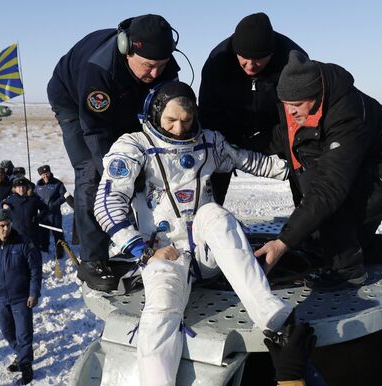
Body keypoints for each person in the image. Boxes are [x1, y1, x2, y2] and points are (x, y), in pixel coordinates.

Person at [94, 82, 293, 385]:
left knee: (215, 214)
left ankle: (268, 312)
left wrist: (294, 165)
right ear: (154, 114)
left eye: (186, 120)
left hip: (205, 251)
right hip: (161, 252)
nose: (179, 128)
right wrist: (143, 251)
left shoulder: (209, 142)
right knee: (160, 312)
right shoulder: (134, 146)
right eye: (171, 120)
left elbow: (248, 160)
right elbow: (107, 203)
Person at [254, 51, 382, 289]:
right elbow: (281, 137)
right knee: (336, 245)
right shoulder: (303, 104)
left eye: (296, 105)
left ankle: (348, 273)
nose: (291, 112)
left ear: (316, 94)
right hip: (359, 170)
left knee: (333, 213)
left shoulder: (347, 113)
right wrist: (235, 145)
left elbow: (329, 188)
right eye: (286, 105)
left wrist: (283, 242)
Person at [47, 14, 181, 291]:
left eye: (161, 66)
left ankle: (147, 236)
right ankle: (92, 259)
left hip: (124, 100)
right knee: (94, 175)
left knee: (150, 163)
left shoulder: (162, 65)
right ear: (126, 48)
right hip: (75, 104)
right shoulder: (98, 70)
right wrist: (121, 172)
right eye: (148, 66)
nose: (155, 74)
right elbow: (96, 132)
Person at [199, 13, 306, 205]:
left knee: (302, 161)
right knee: (212, 165)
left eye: (258, 60)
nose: (250, 66)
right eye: (244, 58)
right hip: (230, 127)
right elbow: (209, 114)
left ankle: (309, 227)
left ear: (271, 54)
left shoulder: (292, 60)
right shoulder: (218, 61)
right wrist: (221, 145)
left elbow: (298, 117)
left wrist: (276, 143)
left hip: (278, 128)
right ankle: (207, 219)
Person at [0, 209, 42, 385]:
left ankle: (26, 364)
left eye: (8, 225)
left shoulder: (23, 243)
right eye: (2, 226)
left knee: (24, 333)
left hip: (21, 297)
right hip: (0, 299)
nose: (6, 229)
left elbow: (35, 270)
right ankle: (22, 354)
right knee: (7, 332)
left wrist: (34, 293)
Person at [0, 177, 48, 248]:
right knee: (19, 252)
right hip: (17, 232)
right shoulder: (11, 199)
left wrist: (38, 217)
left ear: (27, 188)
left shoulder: (33, 198)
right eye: (19, 187)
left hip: (32, 232)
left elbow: (45, 208)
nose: (21, 189)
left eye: (23, 187)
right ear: (15, 189)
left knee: (33, 252)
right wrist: (3, 205)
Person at [33, 165, 67, 257]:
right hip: (43, 213)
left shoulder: (57, 183)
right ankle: (44, 248)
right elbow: (35, 197)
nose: (45, 176)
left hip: (54, 213)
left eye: (47, 173)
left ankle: (60, 251)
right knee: (43, 232)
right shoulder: (38, 185)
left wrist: (54, 205)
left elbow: (64, 196)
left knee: (57, 232)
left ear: (50, 172)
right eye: (43, 174)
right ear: (41, 175)